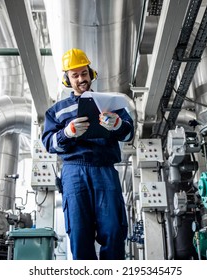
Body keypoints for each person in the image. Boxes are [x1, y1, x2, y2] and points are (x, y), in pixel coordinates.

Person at [41, 48, 134, 260]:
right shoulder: (57, 111)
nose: (81, 79)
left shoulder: (109, 103)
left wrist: (118, 124)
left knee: (113, 230)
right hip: (74, 173)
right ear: (67, 79)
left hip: (105, 170)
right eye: (75, 75)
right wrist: (66, 133)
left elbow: (129, 135)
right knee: (79, 232)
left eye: (84, 73)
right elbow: (49, 143)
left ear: (91, 73)